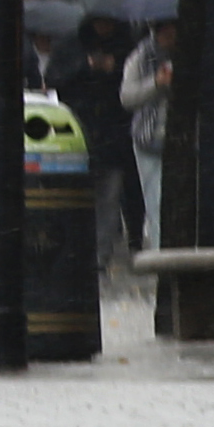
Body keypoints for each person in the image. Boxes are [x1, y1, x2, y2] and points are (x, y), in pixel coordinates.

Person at [50, 14, 139, 262]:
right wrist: (85, 68)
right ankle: (78, 247)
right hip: (80, 130)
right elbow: (57, 80)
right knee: (80, 195)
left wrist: (114, 69)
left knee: (108, 196)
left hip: (112, 134)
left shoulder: (125, 47)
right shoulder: (71, 47)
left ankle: (101, 252)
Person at [118, 17, 177, 247]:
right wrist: (156, 83)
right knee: (156, 202)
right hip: (148, 138)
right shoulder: (141, 57)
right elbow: (127, 97)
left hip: (182, 141)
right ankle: (160, 253)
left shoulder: (194, 54)